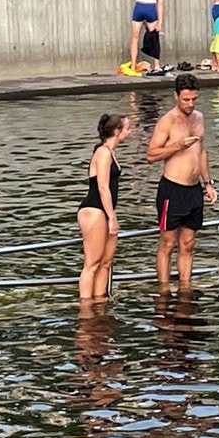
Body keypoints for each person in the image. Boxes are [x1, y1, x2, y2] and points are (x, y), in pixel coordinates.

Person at [145, 73, 217, 290]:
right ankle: (164, 289)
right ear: (176, 95)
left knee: (188, 243)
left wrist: (208, 183)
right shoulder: (167, 121)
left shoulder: (199, 118)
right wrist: (177, 146)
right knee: (168, 243)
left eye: (194, 99)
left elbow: (202, 152)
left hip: (194, 189)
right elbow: (151, 155)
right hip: (172, 189)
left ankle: (185, 288)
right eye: (186, 99)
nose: (190, 104)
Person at [77, 112, 133, 301]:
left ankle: (100, 300)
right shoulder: (103, 152)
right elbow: (102, 186)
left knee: (105, 262)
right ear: (117, 131)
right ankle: (85, 306)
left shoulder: (111, 152)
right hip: (94, 210)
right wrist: (112, 217)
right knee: (92, 263)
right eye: (128, 128)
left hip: (106, 211)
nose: (130, 132)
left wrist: (111, 215)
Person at [123, 0, 167, 76]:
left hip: (138, 7)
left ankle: (133, 67)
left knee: (134, 39)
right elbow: (160, 6)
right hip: (150, 8)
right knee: (154, 37)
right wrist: (159, 23)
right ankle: (156, 66)